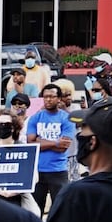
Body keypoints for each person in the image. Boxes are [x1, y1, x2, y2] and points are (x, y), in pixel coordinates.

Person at [26, 84, 74, 215]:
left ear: (59, 99)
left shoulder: (66, 118)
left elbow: (63, 147)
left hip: (58, 170)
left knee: (61, 211)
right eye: (46, 97)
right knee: (35, 211)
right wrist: (56, 142)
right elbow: (30, 143)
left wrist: (40, 141)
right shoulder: (35, 118)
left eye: (52, 96)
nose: (48, 99)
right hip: (37, 171)